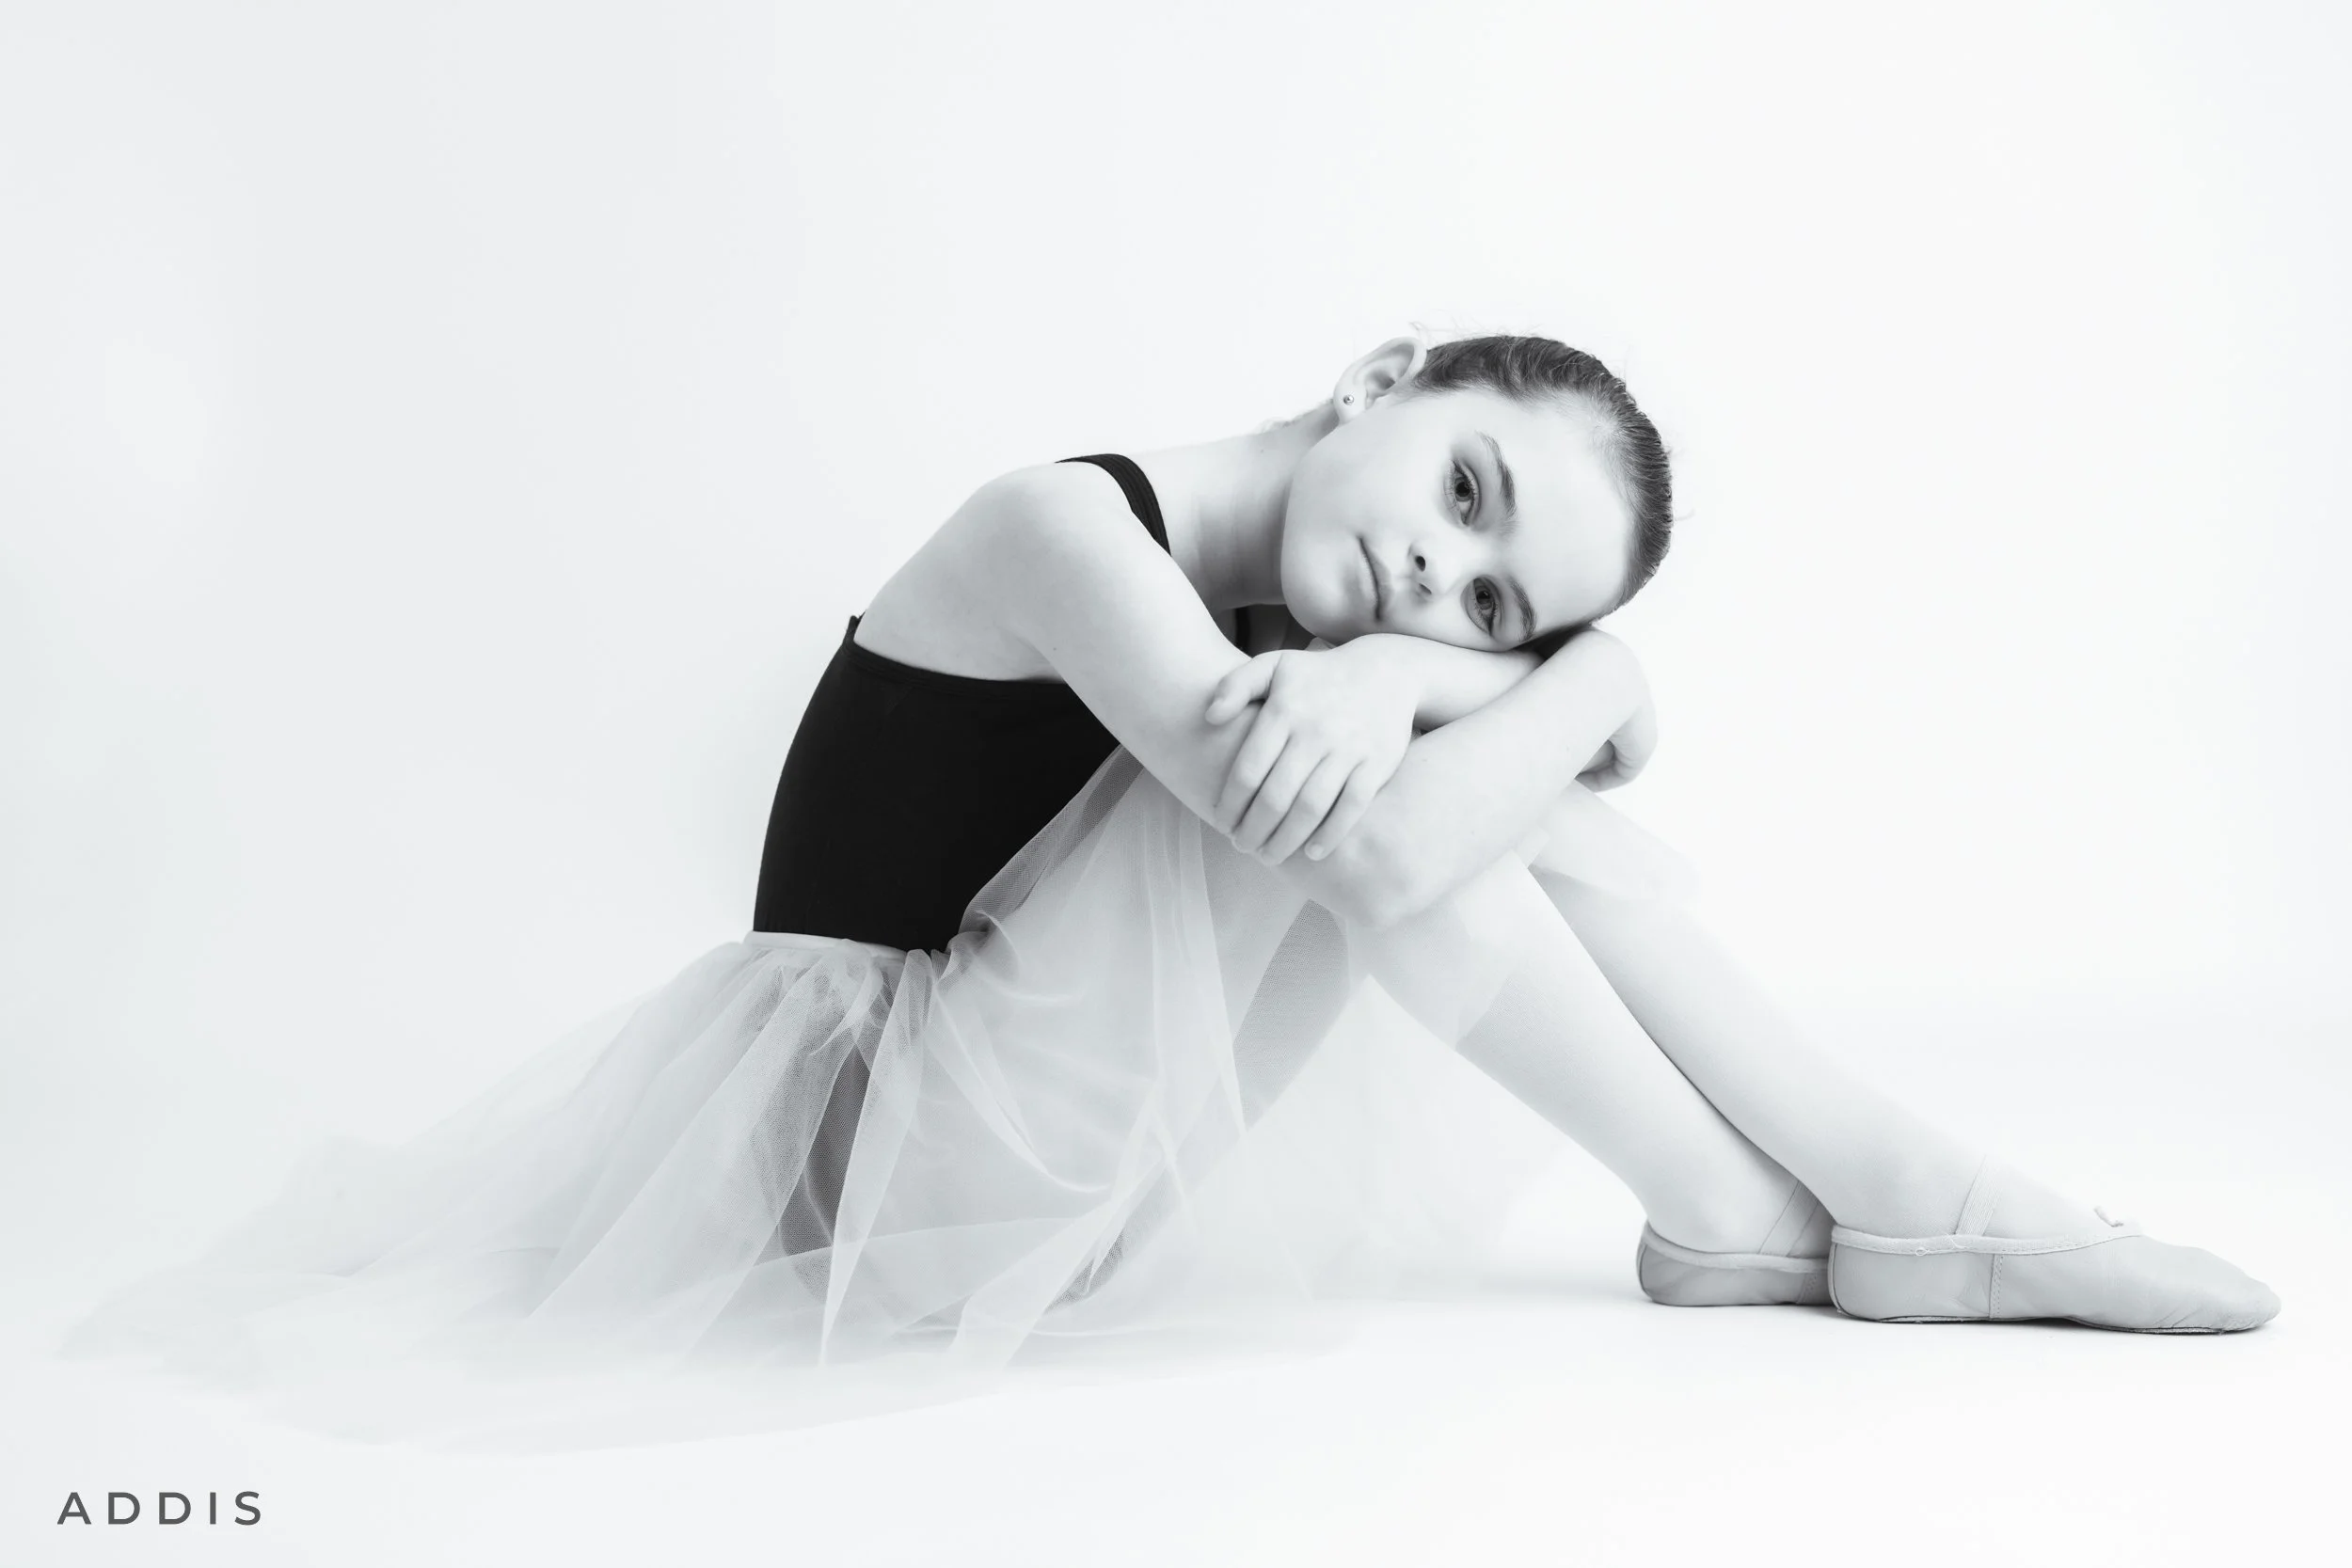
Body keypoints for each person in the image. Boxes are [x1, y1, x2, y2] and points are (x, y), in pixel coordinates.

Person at [63, 331, 2278, 1409]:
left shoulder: (1320, 643)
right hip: (875, 1185)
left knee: (1397, 757)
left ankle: (1826, 1204)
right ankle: (1835, 1199)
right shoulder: (1057, 526)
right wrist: (1570, 681)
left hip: (1045, 1188)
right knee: (1359, 781)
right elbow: (1383, 842)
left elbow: (1420, 795)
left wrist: (1438, 681)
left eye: (1498, 598)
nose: (1438, 573)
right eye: (1468, 491)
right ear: (1382, 375)